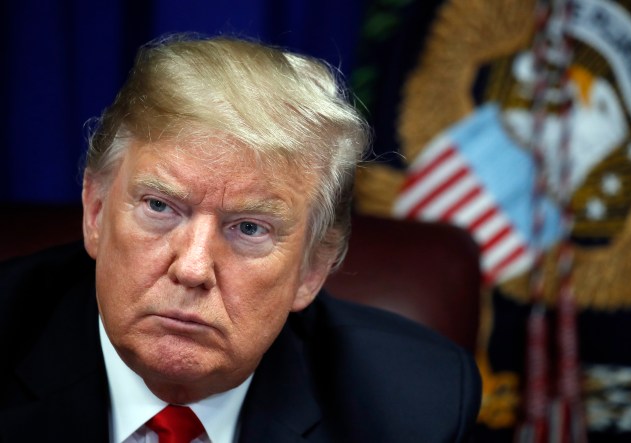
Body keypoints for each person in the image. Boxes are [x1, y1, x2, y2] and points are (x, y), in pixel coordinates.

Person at [0, 34, 481, 442]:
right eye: (160, 207)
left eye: (250, 228)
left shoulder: (412, 407)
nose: (191, 268)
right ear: (96, 212)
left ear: (313, 268)